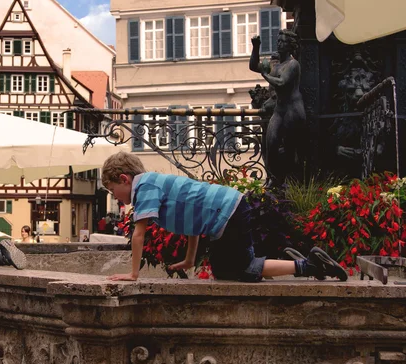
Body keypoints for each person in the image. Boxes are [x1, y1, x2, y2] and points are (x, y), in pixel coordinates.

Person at [101, 152, 347, 282]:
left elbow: (139, 233)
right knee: (223, 270)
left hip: (228, 213)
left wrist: (133, 274)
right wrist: (189, 260)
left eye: (113, 190)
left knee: (245, 269)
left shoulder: (144, 188)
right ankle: (294, 260)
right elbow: (192, 223)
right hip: (230, 209)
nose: (116, 197)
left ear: (124, 179)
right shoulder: (154, 183)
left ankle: (309, 266)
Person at [250, 30, 306, 188]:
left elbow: (281, 82)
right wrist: (256, 47)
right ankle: (274, 178)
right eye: (278, 40)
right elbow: (253, 66)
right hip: (280, 110)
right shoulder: (277, 65)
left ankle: (289, 181)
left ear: (290, 46)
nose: (278, 43)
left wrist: (265, 75)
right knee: (271, 144)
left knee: (289, 148)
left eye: (282, 41)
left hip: (293, 111)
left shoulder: (293, 64)